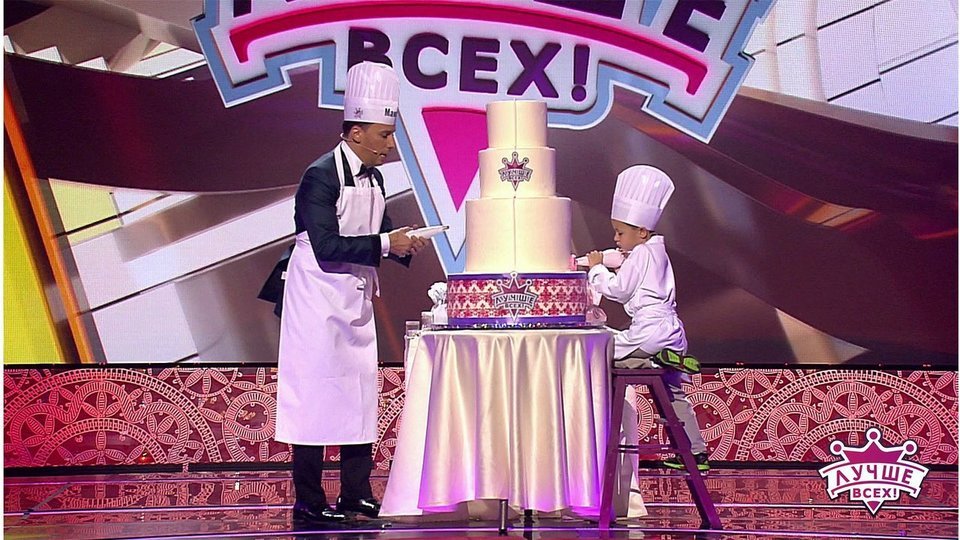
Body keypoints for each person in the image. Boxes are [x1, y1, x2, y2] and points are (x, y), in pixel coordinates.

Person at [275, 61, 426, 524]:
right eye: (384, 135)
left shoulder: (375, 178)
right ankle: (309, 499)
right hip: (316, 301)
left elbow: (377, 232)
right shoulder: (319, 176)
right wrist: (387, 243)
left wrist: (403, 244)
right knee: (314, 398)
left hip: (354, 300)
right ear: (356, 132)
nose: (390, 144)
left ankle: (355, 493)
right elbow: (326, 244)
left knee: (358, 395)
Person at [583, 165, 709, 471]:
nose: (616, 237)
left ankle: (647, 361)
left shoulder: (640, 254)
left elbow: (619, 289)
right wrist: (604, 259)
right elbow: (623, 259)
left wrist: (596, 269)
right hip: (672, 332)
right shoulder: (655, 251)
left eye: (620, 232)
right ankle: (695, 452)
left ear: (641, 232)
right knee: (674, 394)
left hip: (650, 330)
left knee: (604, 344)